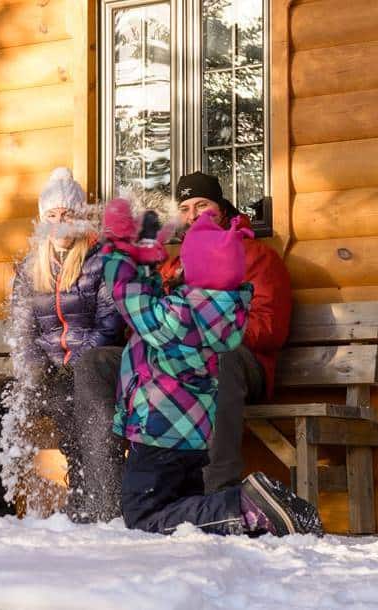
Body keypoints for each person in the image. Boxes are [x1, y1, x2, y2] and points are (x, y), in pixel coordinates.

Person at [102, 199, 321, 535]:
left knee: (144, 516)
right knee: (185, 506)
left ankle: (242, 505)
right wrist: (146, 250)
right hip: (194, 436)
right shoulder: (223, 312)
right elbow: (149, 297)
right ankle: (238, 510)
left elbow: (129, 296)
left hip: (160, 434)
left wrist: (117, 251)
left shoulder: (179, 317)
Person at [74, 171, 292, 496]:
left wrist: (205, 329)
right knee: (98, 362)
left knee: (218, 356)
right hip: (173, 362)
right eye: (185, 208)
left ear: (221, 208)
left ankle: (218, 491)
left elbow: (270, 327)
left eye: (201, 205)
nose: (192, 216)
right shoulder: (171, 266)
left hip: (240, 362)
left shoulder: (254, 256)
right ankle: (104, 492)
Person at [0, 167, 125, 521]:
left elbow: (109, 326)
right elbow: (23, 332)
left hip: (88, 370)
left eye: (66, 215)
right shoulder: (29, 269)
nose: (59, 223)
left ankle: (85, 491)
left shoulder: (100, 262)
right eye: (51, 216)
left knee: (69, 394)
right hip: (49, 372)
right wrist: (34, 371)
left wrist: (72, 367)